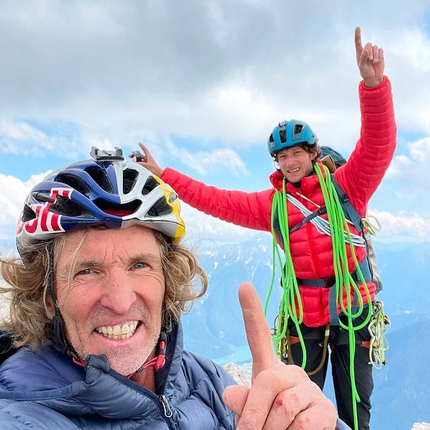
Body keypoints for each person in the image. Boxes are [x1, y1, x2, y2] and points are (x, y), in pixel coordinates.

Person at [132, 27, 396, 430]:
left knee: (356, 406)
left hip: (351, 311)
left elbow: (377, 145)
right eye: (282, 157)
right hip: (305, 315)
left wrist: (373, 85)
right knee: (294, 404)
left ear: (313, 153)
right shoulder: (273, 206)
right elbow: (216, 200)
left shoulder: (348, 188)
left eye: (296, 154)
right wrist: (164, 175)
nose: (290, 163)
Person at [0, 147, 349, 430]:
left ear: (167, 279)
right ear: (47, 297)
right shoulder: (19, 415)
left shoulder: (207, 382)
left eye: (140, 265)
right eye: (87, 271)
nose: (121, 302)